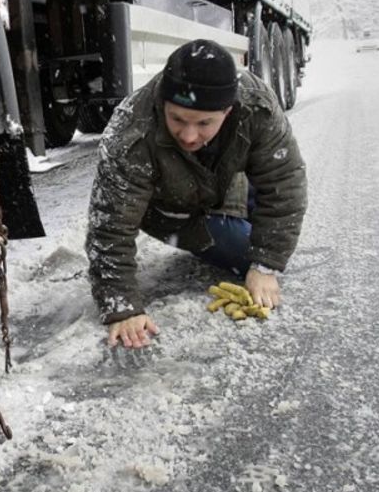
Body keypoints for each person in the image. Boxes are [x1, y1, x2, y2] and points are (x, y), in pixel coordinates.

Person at [85, 39, 307, 350]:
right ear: (163, 103)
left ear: (228, 111)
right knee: (244, 254)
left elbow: (285, 183)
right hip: (170, 208)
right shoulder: (131, 131)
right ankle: (225, 225)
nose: (189, 135)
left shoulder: (256, 107)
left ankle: (241, 212)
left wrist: (266, 265)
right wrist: (121, 306)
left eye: (204, 123)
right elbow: (109, 226)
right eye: (177, 119)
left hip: (224, 179)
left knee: (264, 250)